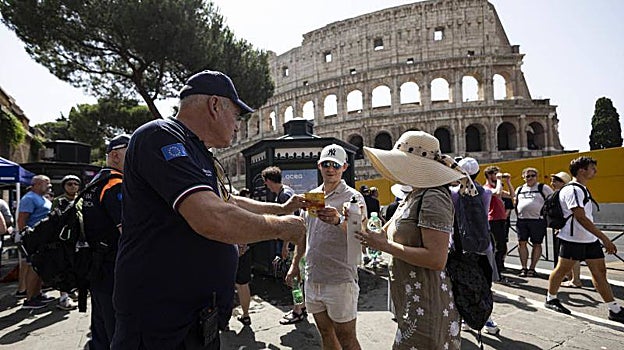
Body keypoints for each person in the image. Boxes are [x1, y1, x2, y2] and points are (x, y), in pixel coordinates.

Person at [112, 70, 306, 350]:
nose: (238, 127)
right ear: (215, 105)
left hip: (196, 315)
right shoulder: (161, 137)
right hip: (161, 317)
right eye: (237, 116)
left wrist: (280, 208)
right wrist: (283, 227)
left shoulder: (197, 151)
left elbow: (226, 202)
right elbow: (211, 216)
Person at [355, 131, 465, 349]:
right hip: (411, 302)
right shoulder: (413, 195)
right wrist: (360, 224)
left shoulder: (434, 197)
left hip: (428, 303)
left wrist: (385, 246)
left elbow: (436, 259)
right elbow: (383, 233)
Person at [287, 143, 366, 350]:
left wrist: (339, 221)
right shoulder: (313, 196)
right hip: (313, 278)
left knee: (346, 338)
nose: (331, 169)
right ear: (319, 166)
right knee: (325, 332)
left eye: (336, 165)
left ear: (344, 168)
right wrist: (295, 266)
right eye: (327, 164)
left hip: (340, 278)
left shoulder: (353, 197)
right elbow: (306, 234)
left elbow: (361, 235)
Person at [545, 156, 624, 323]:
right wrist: (604, 238)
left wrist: (597, 237)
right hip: (573, 239)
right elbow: (581, 217)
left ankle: (614, 309)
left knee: (600, 272)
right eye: (592, 168)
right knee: (561, 270)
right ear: (582, 170)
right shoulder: (573, 190)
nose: (595, 171)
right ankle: (551, 299)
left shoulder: (581, 188)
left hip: (588, 239)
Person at [81, 134, 129, 349]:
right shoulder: (114, 184)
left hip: (98, 264)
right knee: (117, 332)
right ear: (116, 156)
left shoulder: (96, 180)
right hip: (113, 266)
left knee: (101, 329)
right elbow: (127, 231)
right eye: (133, 154)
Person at [454, 157, 500, 335]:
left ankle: (465, 318)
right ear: (478, 173)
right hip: (483, 243)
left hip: (460, 244)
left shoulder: (453, 193)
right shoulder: (485, 193)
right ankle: (486, 319)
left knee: (462, 283)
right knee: (484, 283)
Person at [260, 166, 307, 325]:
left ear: (268, 181)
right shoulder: (286, 191)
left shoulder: (284, 195)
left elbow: (290, 223)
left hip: (295, 244)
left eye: (265, 183)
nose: (266, 186)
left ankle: (298, 310)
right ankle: (301, 306)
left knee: (293, 279)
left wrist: (285, 246)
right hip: (298, 243)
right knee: (298, 278)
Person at [17, 175, 56, 309]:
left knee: (40, 267)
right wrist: (25, 237)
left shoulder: (41, 198)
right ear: (37, 184)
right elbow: (22, 220)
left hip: (44, 237)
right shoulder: (29, 198)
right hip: (34, 237)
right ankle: (29, 298)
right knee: (33, 267)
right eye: (47, 183)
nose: (49, 186)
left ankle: (37, 293)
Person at [51, 174, 82, 311]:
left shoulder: (81, 199)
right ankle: (63, 298)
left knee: (78, 266)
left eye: (76, 184)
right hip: (64, 240)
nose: (73, 186)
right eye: (70, 184)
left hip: (80, 239)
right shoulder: (59, 201)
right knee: (64, 268)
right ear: (64, 186)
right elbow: (54, 220)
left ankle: (73, 289)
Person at [515, 167, 553, 277]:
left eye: (533, 175)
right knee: (521, 243)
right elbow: (516, 202)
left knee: (537, 243)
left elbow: (552, 201)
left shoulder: (543, 188)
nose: (530, 178)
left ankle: (532, 268)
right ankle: (524, 268)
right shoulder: (520, 189)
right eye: (528, 176)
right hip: (522, 220)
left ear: (536, 177)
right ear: (523, 178)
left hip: (537, 220)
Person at [549, 171, 582, 288]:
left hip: (569, 228)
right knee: (570, 255)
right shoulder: (561, 193)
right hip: (566, 228)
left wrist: (560, 227)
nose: (553, 183)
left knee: (571, 255)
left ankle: (575, 279)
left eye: (556, 181)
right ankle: (571, 278)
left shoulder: (565, 193)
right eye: (552, 180)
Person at [483, 166, 514, 275]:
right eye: (495, 174)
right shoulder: (486, 188)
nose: (498, 176)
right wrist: (500, 180)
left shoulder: (498, 186)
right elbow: (496, 193)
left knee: (502, 246)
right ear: (489, 175)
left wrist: (508, 182)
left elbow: (511, 195)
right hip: (492, 219)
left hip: (501, 219)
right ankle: (495, 270)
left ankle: (499, 268)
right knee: (496, 246)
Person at [234, 188, 253, 326]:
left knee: (228, 286)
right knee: (243, 285)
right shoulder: (247, 214)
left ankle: (225, 319)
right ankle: (246, 315)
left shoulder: (225, 211)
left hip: (229, 252)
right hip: (244, 252)